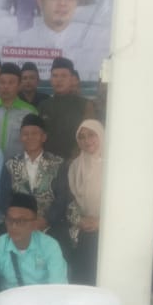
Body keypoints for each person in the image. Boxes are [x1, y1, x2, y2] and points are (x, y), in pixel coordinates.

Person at [9, 0, 108, 83]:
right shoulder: (21, 42)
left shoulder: (94, 43)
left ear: (76, 2)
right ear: (40, 1)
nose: (62, 3)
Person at [0, 193, 68, 305]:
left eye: (21, 221)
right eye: (10, 220)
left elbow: (58, 287)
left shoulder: (50, 246)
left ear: (34, 223)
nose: (14, 226)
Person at [0, 114, 70, 240]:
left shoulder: (58, 164)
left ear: (44, 137)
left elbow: (62, 198)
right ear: (20, 137)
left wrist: (46, 220)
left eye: (35, 133)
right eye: (25, 134)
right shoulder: (10, 164)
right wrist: (19, 220)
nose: (30, 137)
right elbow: (3, 198)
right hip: (16, 223)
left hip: (49, 224)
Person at [66, 119, 105, 285]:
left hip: (111, 227)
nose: (86, 140)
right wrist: (80, 220)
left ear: (101, 135)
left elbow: (124, 201)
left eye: (91, 135)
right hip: (82, 226)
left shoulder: (115, 164)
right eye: (81, 137)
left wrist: (102, 222)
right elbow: (70, 200)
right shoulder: (75, 166)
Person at [39, 57, 95, 159]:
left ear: (71, 79)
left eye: (63, 76)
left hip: (76, 162)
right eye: (55, 76)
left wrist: (74, 160)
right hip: (48, 163)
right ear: (51, 79)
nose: (59, 80)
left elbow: (90, 138)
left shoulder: (85, 105)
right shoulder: (43, 106)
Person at [0, 62, 38, 160]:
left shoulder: (30, 112)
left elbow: (35, 143)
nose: (6, 86)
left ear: (19, 86)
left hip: (19, 165)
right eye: (2, 82)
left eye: (11, 83)